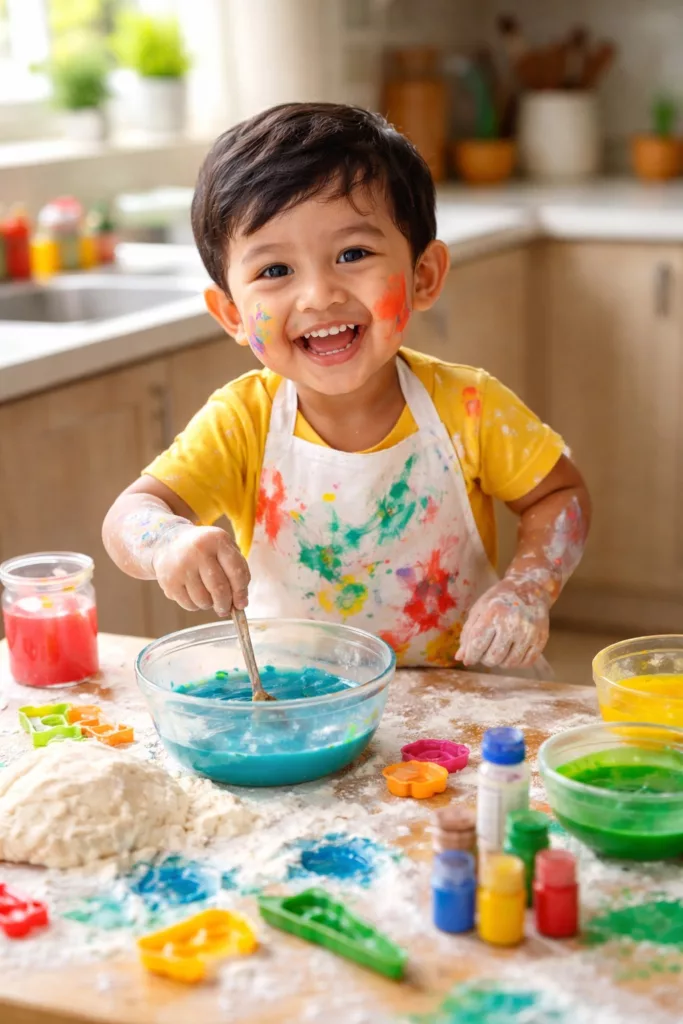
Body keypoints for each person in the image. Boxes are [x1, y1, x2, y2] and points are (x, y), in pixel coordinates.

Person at [102, 102, 590, 671]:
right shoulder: (241, 422)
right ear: (232, 313)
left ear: (423, 275)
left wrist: (528, 588)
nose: (319, 295)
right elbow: (130, 513)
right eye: (275, 271)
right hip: (301, 711)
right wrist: (165, 542)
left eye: (352, 254)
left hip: (467, 708)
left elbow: (559, 495)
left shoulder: (470, 407)